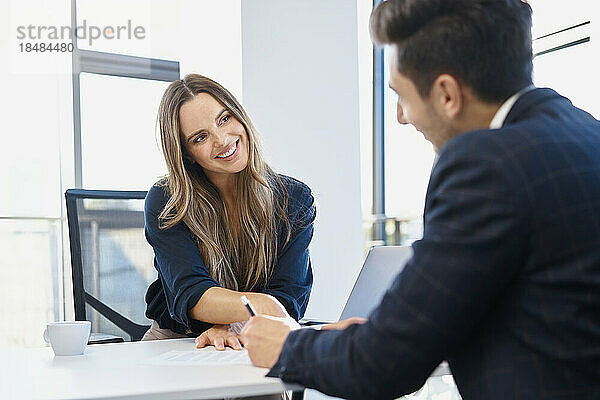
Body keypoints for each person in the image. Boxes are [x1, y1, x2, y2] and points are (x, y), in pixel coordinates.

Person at [240, 0, 600, 398]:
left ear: (447, 94)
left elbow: (385, 365)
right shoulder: (586, 133)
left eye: (401, 95)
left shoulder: (483, 165)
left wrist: (287, 346)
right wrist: (384, 333)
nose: (400, 116)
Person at [142, 74, 316, 352]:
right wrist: (255, 307)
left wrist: (233, 320)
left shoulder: (293, 199)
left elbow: (289, 296)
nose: (222, 140)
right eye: (200, 137)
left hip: (256, 334)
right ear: (186, 154)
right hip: (182, 340)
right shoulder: (168, 200)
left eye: (224, 119)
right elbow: (192, 293)